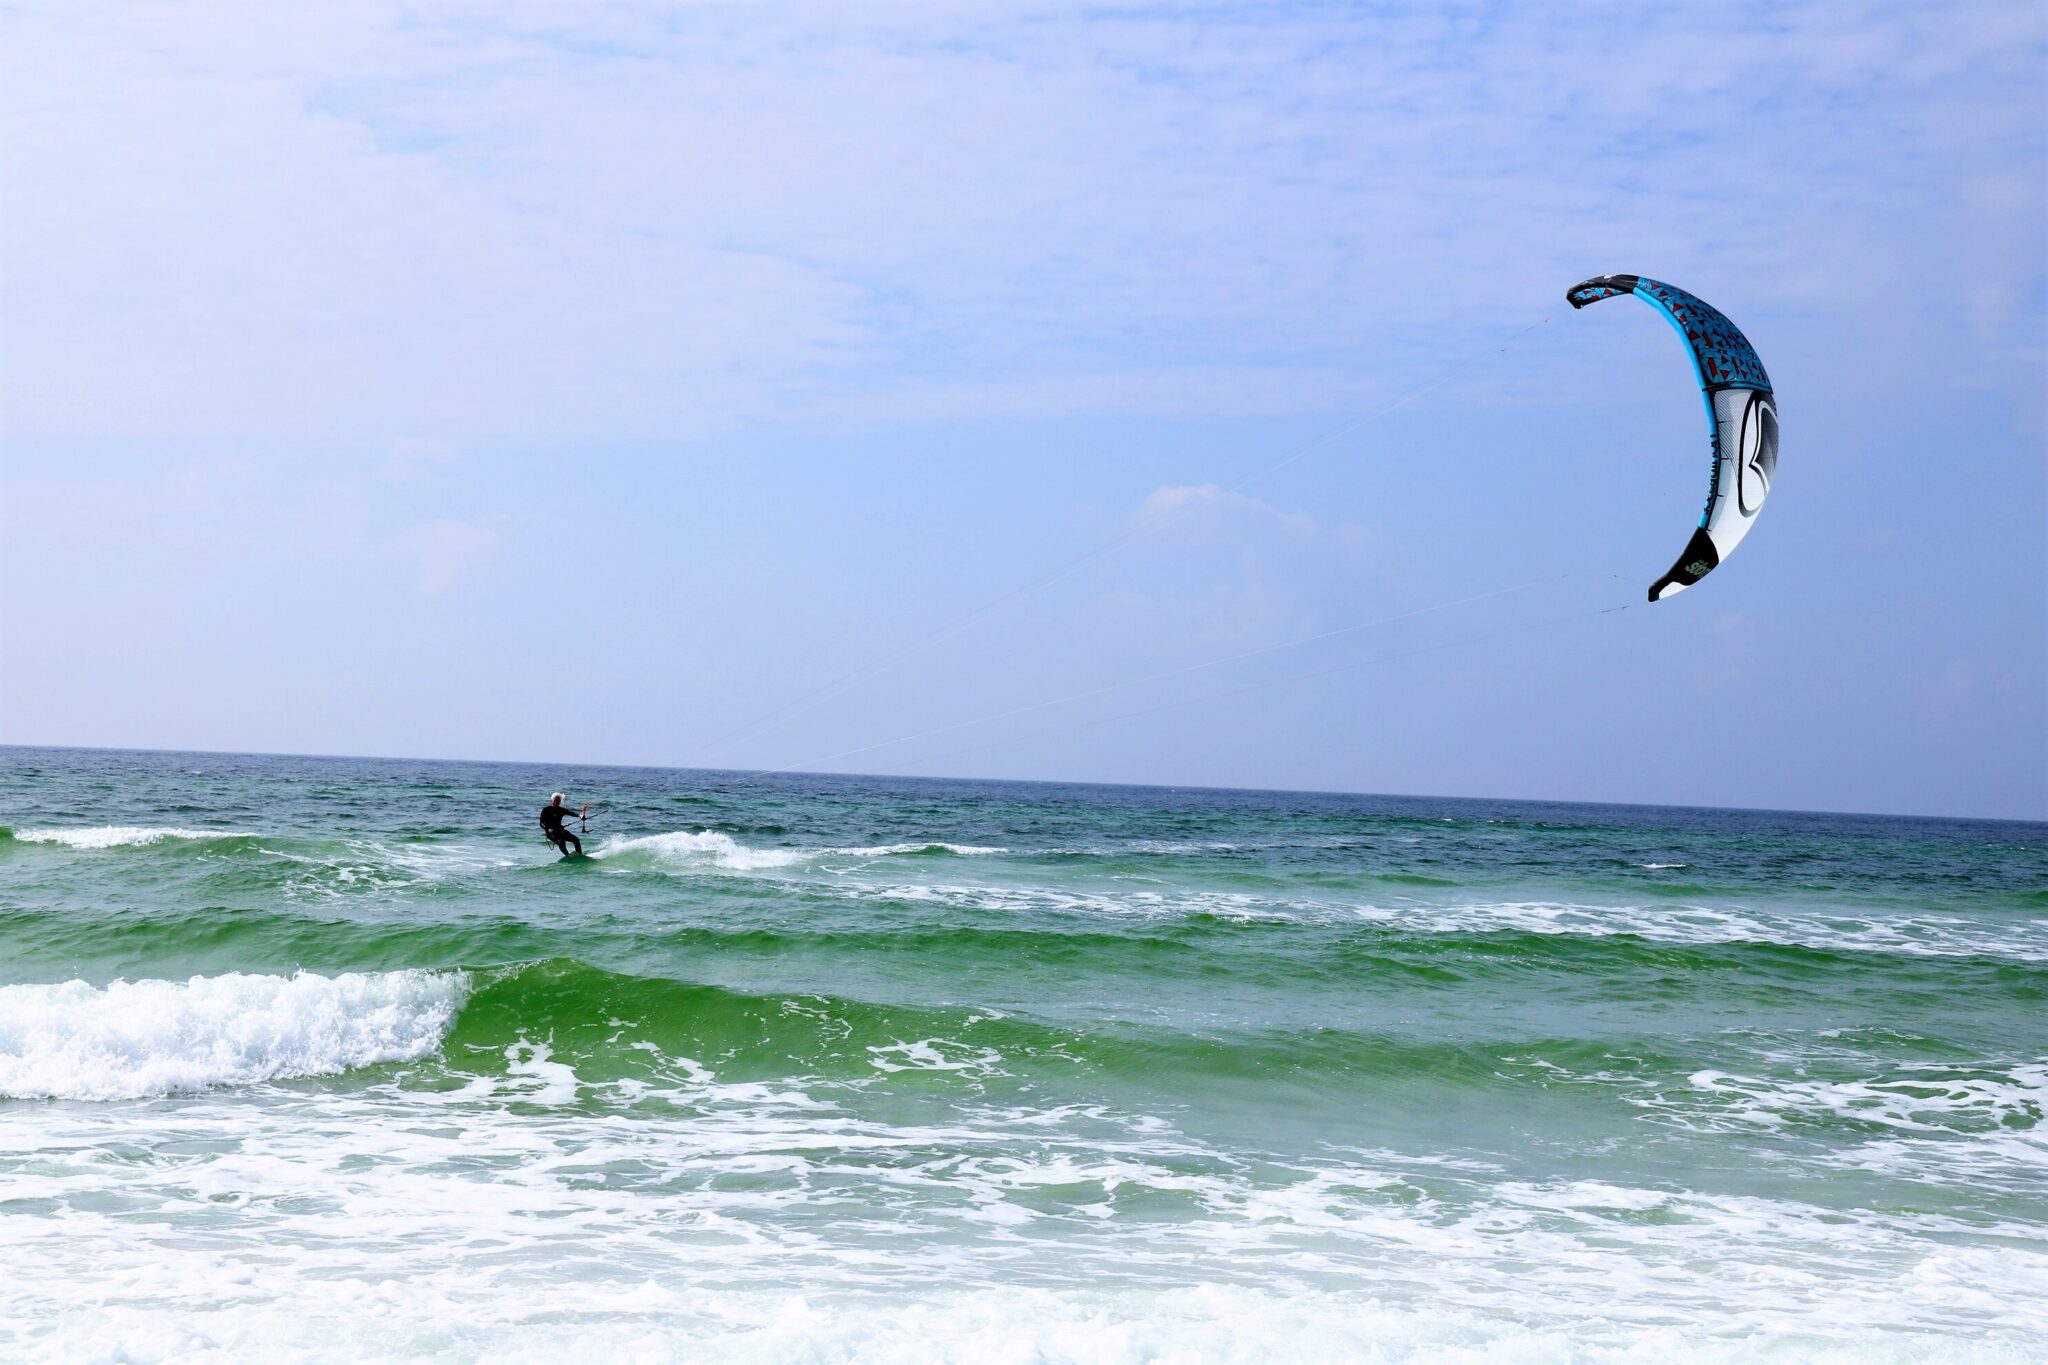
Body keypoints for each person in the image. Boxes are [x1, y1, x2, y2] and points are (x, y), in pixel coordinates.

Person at [540, 792, 591, 856]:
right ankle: (568, 856)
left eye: (558, 801)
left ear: (560, 802)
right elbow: (541, 823)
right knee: (561, 842)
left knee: (576, 840)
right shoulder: (546, 810)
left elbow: (571, 813)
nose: (556, 802)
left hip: (560, 830)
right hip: (550, 833)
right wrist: (548, 829)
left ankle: (579, 855)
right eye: (555, 800)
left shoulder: (561, 810)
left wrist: (580, 816)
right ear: (552, 800)